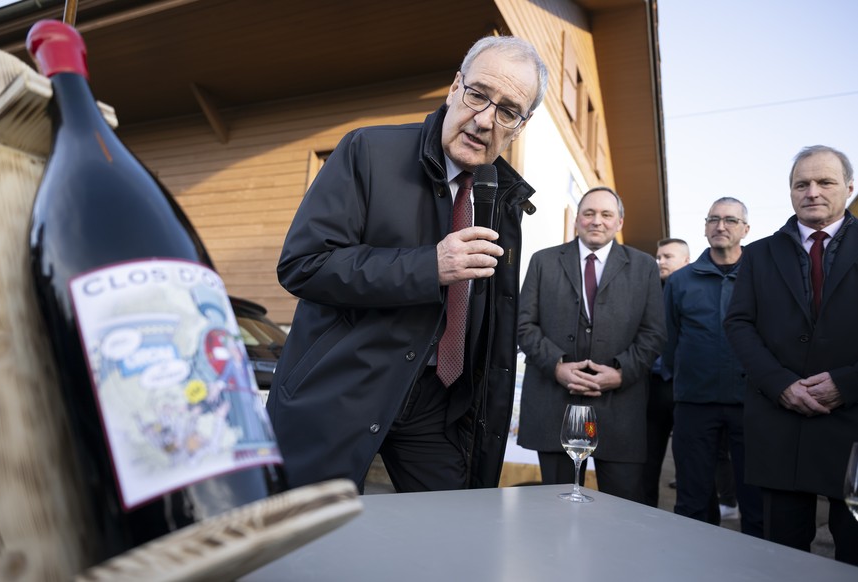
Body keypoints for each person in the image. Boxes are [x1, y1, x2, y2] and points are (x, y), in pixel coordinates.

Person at [266, 35, 549, 492]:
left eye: (507, 110)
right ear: (454, 86)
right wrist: (429, 266)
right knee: (306, 546)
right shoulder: (368, 152)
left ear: (522, 123)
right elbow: (303, 264)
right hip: (340, 391)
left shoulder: (503, 196)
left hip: (436, 405)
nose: (483, 120)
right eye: (478, 94)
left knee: (451, 544)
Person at [724, 145, 858, 564]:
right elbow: (738, 324)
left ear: (849, 188)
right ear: (790, 192)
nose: (812, 191)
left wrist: (846, 383)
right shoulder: (761, 253)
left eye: (825, 182)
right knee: (782, 558)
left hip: (853, 425)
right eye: (802, 184)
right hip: (781, 423)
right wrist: (780, 384)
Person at [517, 187, 666, 503]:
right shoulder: (543, 261)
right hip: (554, 405)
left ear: (619, 222)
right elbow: (524, 325)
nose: (597, 221)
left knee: (622, 507)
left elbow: (654, 333)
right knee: (555, 505)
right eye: (589, 213)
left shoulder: (644, 267)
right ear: (576, 220)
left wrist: (621, 373)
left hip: (620, 408)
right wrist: (556, 366)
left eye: (606, 214)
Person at [663, 197, 762, 537]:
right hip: (694, 402)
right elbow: (669, 337)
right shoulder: (680, 282)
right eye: (714, 219)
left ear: (745, 229)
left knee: (757, 501)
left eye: (731, 220)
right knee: (692, 500)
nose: (721, 226)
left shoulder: (761, 277)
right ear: (705, 227)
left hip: (752, 403)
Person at [642, 237, 689, 507]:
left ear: (686, 260)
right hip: (653, 386)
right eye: (658, 257)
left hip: (685, 387)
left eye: (667, 257)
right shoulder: (651, 292)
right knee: (648, 463)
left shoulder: (695, 290)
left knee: (690, 466)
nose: (660, 262)